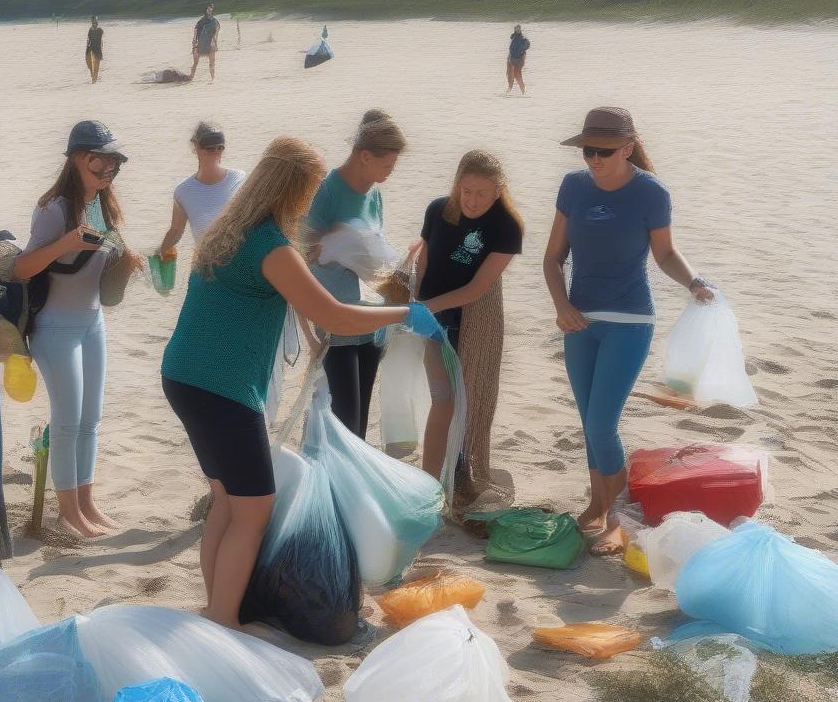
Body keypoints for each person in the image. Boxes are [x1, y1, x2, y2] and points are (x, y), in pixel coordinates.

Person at [160, 136, 442, 630]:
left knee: (227, 499)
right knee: (254, 510)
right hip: (222, 387)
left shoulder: (230, 231)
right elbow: (334, 312)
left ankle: (217, 607)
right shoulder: (270, 246)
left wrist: (310, 335)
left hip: (185, 376)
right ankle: (224, 620)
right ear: (295, 192)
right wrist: (406, 313)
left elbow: (280, 300)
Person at [543, 106, 714, 555]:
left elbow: (666, 255)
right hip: (579, 321)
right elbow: (552, 257)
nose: (593, 160)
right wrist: (561, 306)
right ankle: (597, 505)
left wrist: (693, 281)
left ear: (627, 147)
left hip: (630, 321)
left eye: (602, 152)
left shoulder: (650, 192)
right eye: (586, 152)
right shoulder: (573, 186)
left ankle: (621, 519)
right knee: (588, 422)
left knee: (602, 422)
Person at [13, 120, 131, 538]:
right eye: (103, 160)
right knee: (67, 420)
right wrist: (66, 244)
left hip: (92, 322)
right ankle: (68, 514)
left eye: (115, 161)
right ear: (80, 159)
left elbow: (102, 265)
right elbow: (21, 268)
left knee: (91, 420)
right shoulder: (53, 209)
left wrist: (128, 262)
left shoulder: (104, 203)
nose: (110, 168)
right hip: (56, 327)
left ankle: (86, 504)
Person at [411, 150, 524, 494]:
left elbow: (477, 288)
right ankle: (428, 484)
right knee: (443, 400)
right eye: (466, 191)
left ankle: (461, 473)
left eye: (482, 194)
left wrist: (427, 306)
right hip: (431, 320)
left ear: (498, 191)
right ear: (457, 185)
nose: (473, 201)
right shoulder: (437, 209)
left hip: (474, 321)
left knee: (469, 401)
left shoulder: (506, 225)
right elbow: (424, 264)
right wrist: (418, 306)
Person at [302, 109, 407, 439]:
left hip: (369, 319)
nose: (390, 173)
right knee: (342, 420)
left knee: (359, 423)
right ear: (365, 156)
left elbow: (374, 252)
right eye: (387, 165)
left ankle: (350, 488)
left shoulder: (375, 194)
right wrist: (333, 238)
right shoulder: (327, 191)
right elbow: (298, 254)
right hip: (335, 321)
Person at [157, 122, 245, 258]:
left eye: (220, 148)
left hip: (242, 260)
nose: (215, 152)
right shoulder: (183, 191)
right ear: (195, 146)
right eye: (209, 149)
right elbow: (175, 231)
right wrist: (159, 252)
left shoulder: (240, 179)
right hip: (206, 266)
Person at [190, 3, 220, 82]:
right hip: (201, 43)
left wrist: (215, 43)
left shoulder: (215, 22)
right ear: (206, 10)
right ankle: (191, 78)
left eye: (211, 10)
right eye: (208, 10)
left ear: (212, 11)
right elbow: (196, 30)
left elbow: (216, 33)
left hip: (210, 43)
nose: (209, 11)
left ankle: (212, 79)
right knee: (195, 63)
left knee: (212, 63)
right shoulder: (201, 21)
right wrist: (194, 41)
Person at [505, 25, 530, 96]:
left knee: (517, 74)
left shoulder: (523, 38)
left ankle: (523, 90)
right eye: (516, 29)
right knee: (510, 74)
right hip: (512, 58)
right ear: (515, 30)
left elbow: (527, 46)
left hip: (519, 58)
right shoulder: (513, 37)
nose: (518, 30)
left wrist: (523, 52)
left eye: (519, 29)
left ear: (520, 29)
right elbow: (510, 49)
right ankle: (509, 90)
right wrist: (508, 57)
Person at [85, 16, 103, 84]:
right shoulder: (90, 30)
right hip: (90, 49)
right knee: (89, 64)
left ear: (97, 22)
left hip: (97, 50)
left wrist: (101, 52)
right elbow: (88, 39)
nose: (94, 22)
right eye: (93, 21)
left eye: (95, 21)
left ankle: (94, 81)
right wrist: (87, 45)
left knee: (96, 66)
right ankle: (93, 76)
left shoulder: (100, 30)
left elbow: (101, 41)